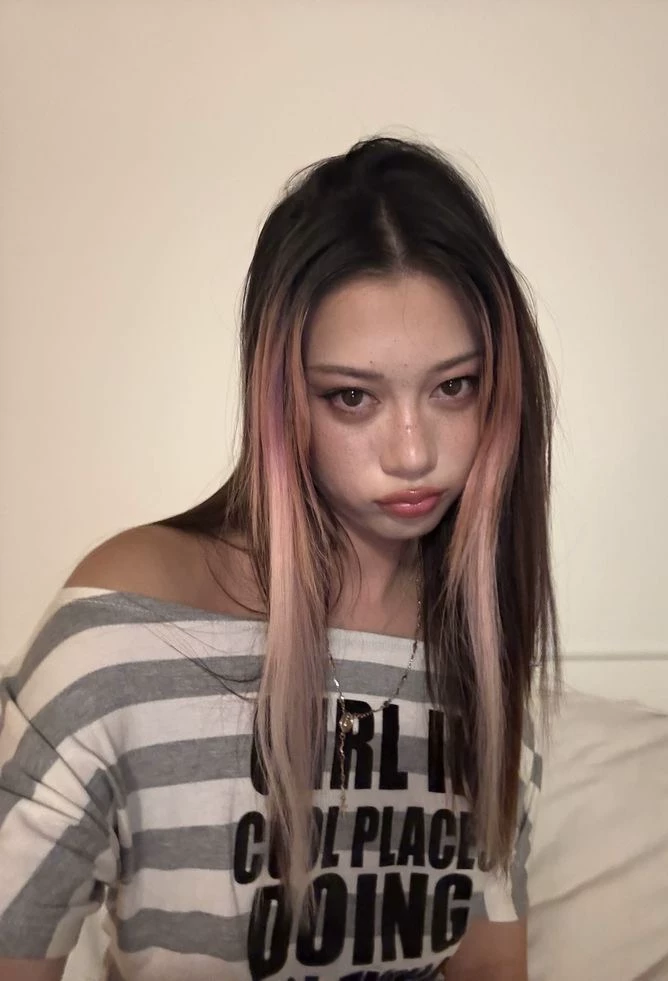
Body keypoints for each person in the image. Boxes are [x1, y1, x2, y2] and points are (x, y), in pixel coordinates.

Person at [0, 136, 559, 980]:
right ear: (282, 395)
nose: (414, 453)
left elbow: (486, 966)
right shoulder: (120, 636)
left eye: (455, 386)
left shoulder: (479, 649)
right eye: (352, 396)